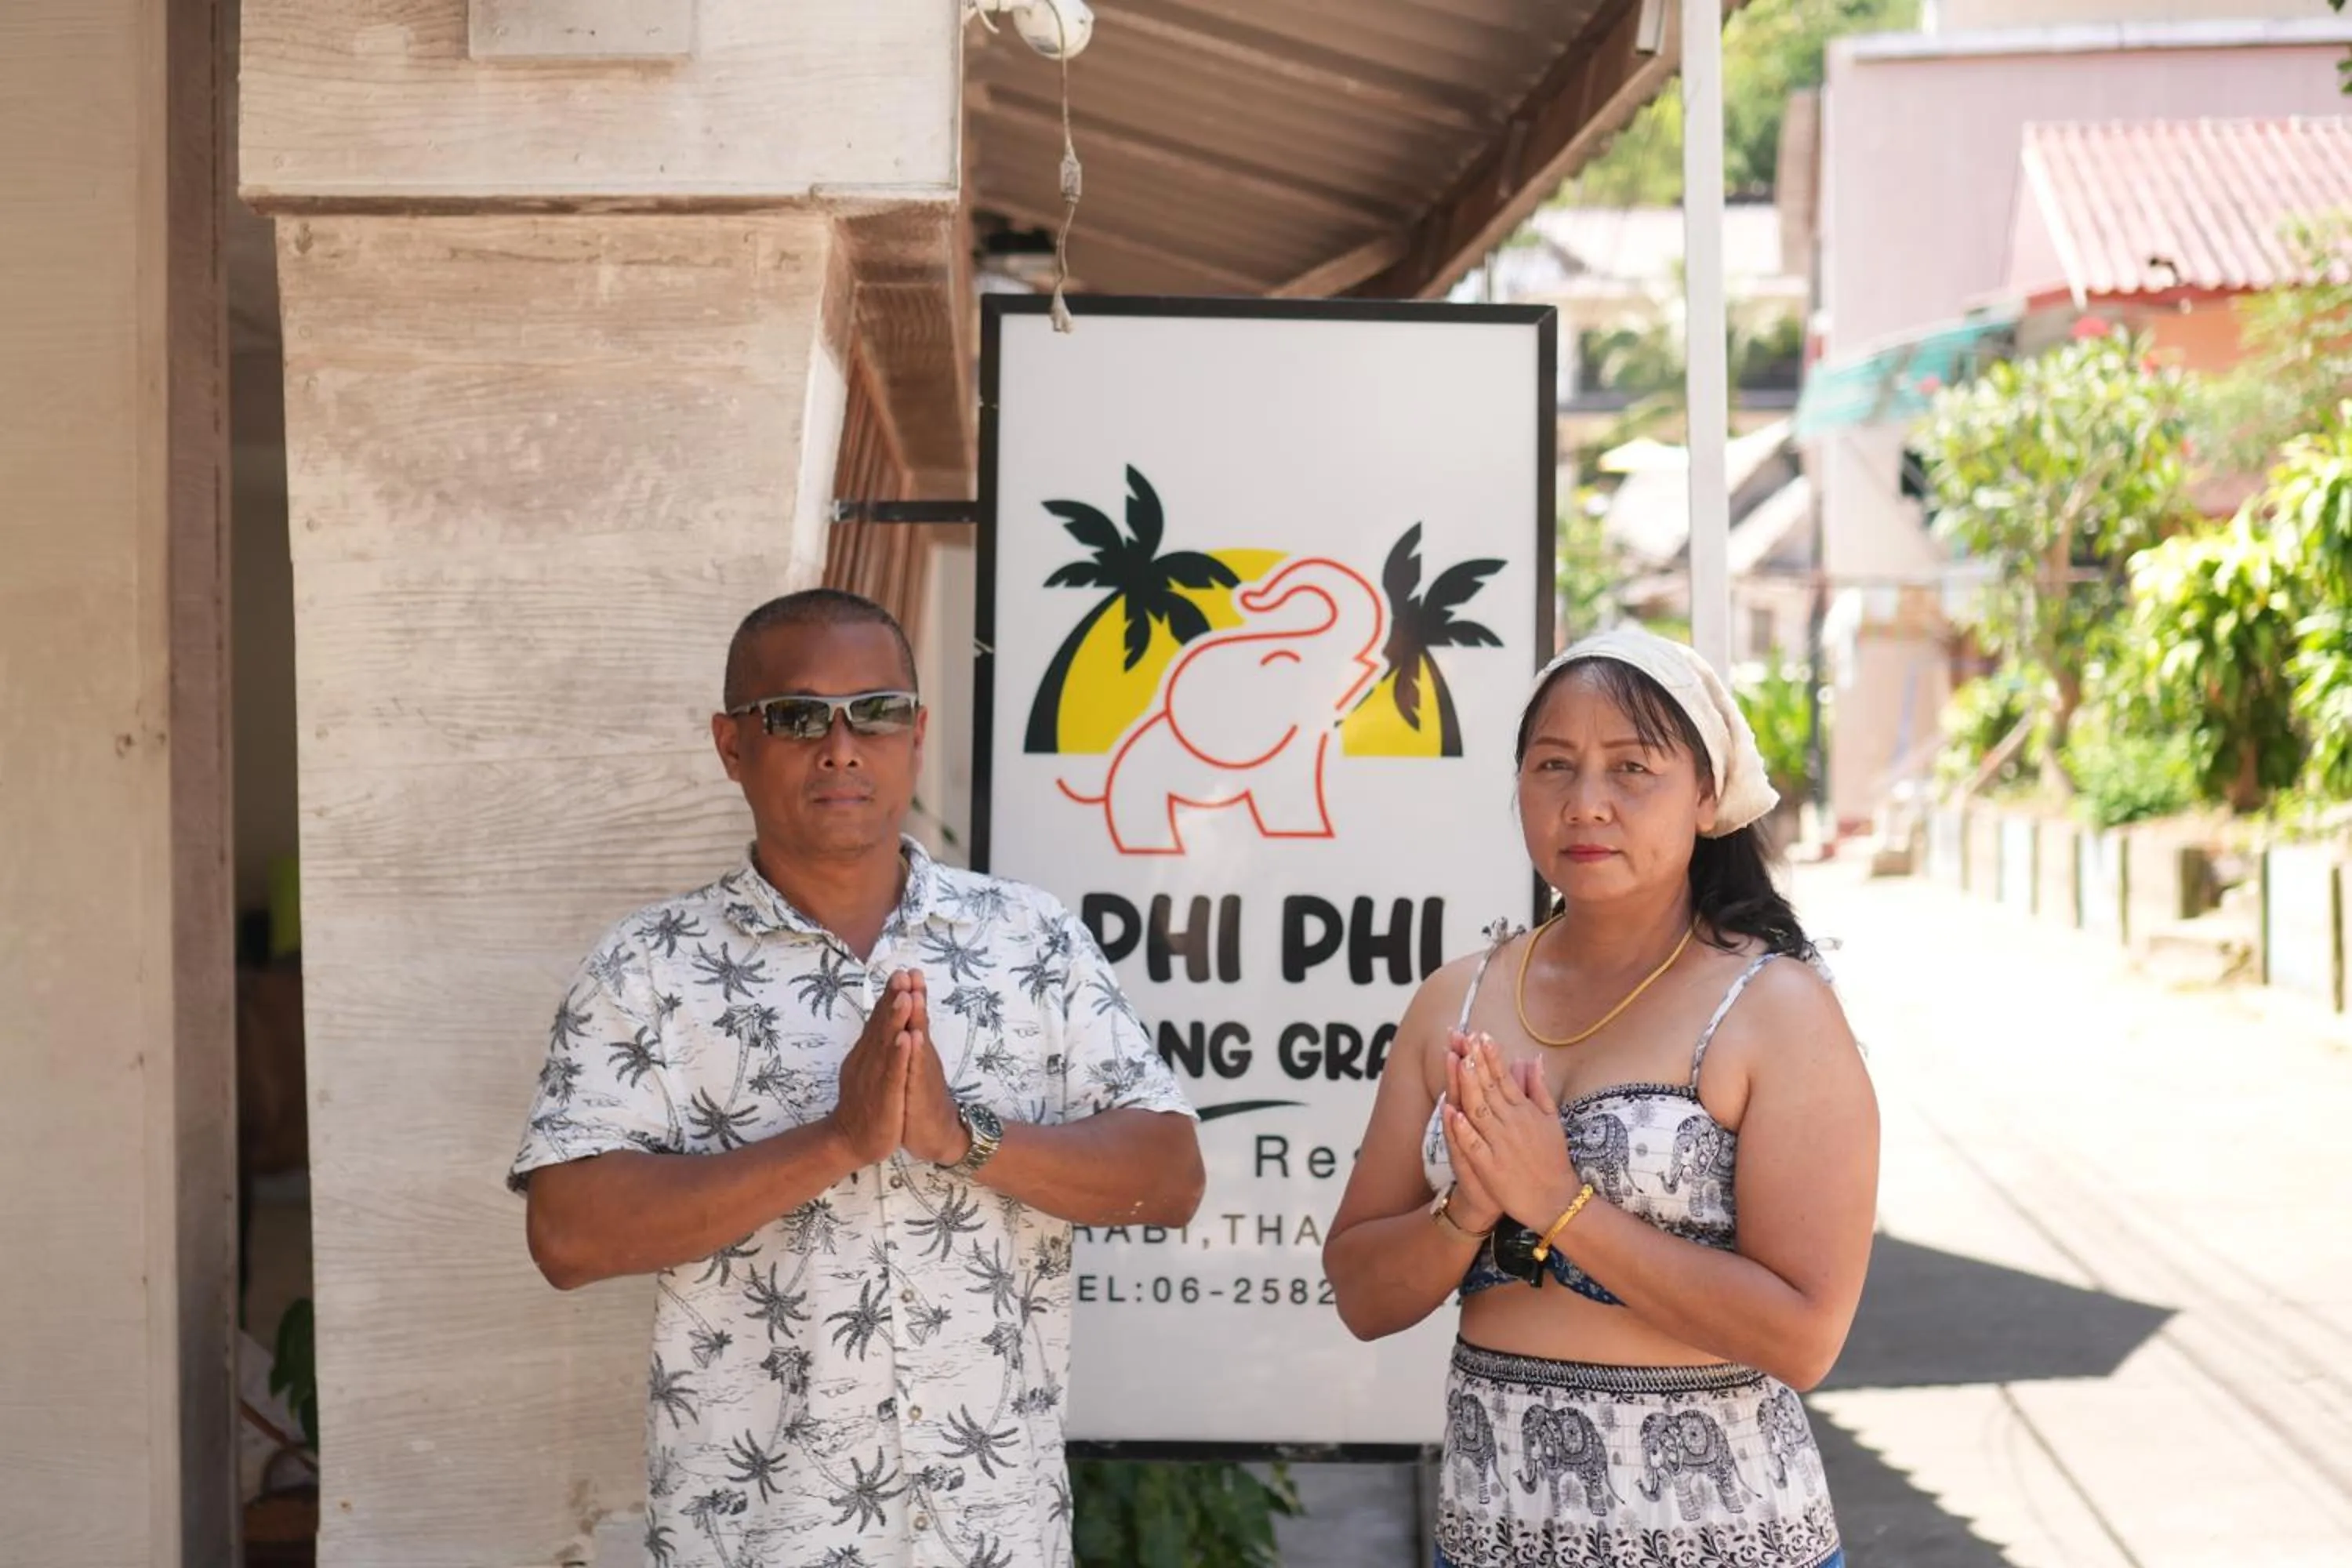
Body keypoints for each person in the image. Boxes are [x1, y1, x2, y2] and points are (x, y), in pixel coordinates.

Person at [511, 589, 1205, 1568]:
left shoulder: (1029, 938)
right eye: (797, 716)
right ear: (731, 744)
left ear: (916, 734)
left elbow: (1170, 1175)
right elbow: (568, 1235)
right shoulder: (647, 967)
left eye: (875, 711)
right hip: (757, 1542)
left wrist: (959, 1136)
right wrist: (838, 1139)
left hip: (995, 1539)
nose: (841, 747)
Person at [1324, 626, 1877, 1568]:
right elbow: (1362, 1293)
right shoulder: (1456, 1000)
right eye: (1553, 764)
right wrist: (1468, 1209)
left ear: (1707, 796)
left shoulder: (1773, 1009)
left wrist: (1559, 1202)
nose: (1585, 802)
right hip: (1491, 1535)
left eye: (1632, 767)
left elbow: (1804, 1337)